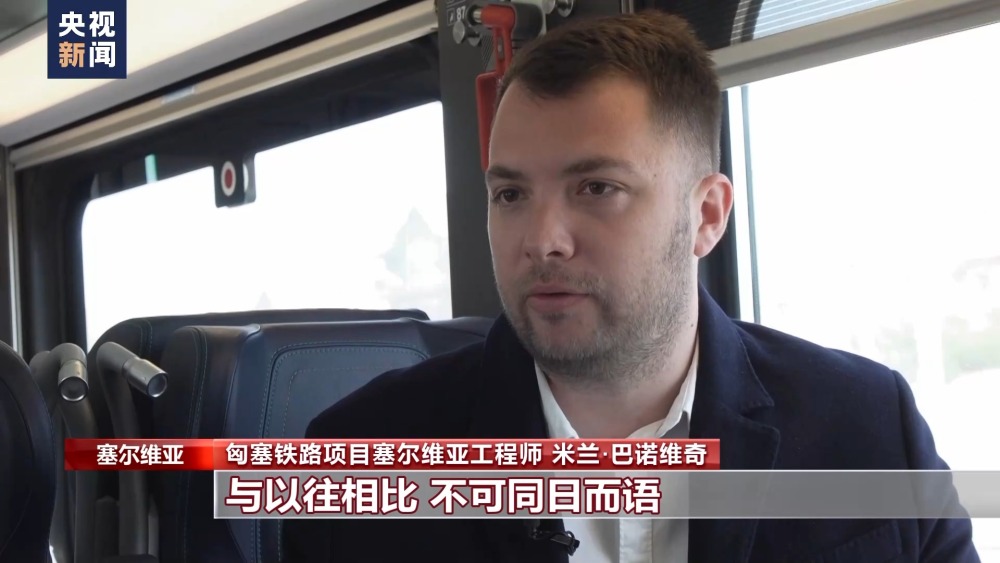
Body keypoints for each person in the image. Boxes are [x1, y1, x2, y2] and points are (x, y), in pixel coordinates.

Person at [283, 10, 979, 563]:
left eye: (596, 187)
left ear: (707, 215)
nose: (542, 239)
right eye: (511, 195)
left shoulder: (865, 425)